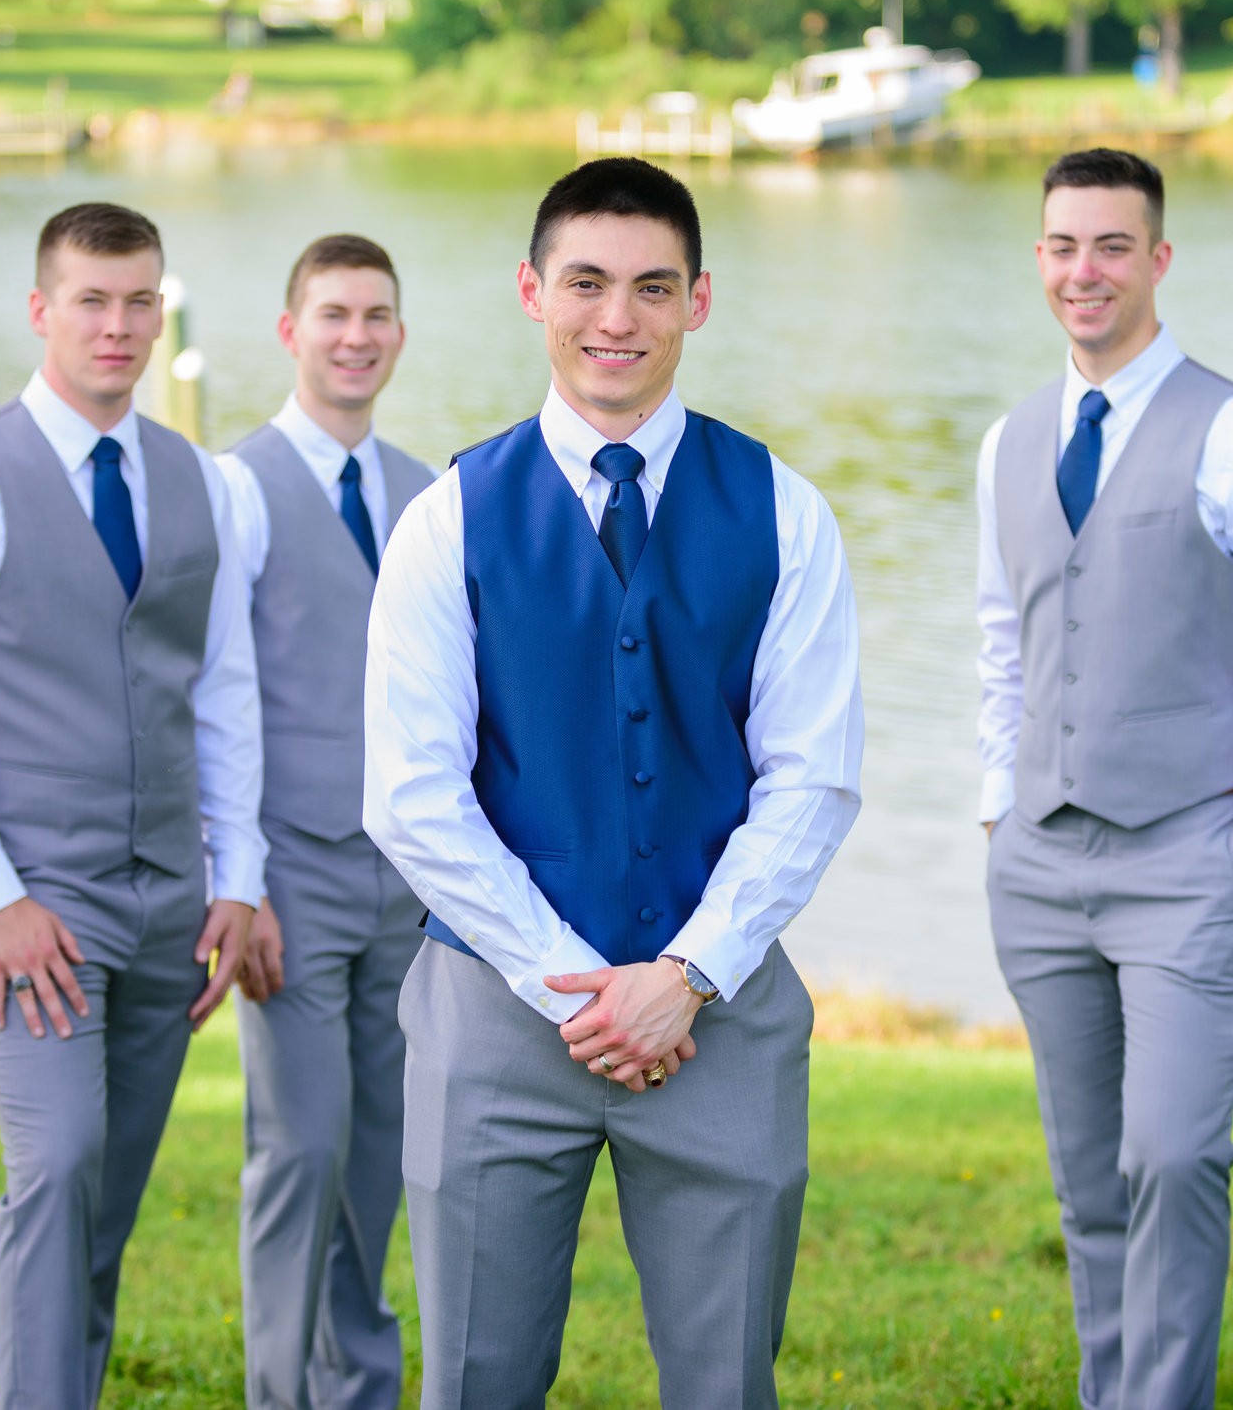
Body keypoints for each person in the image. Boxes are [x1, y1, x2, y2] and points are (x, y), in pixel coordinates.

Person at [364, 157, 863, 1410]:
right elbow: (410, 792)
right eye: (585, 283)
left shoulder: (785, 511)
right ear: (532, 291)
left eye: (652, 287)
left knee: (725, 1383)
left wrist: (686, 975)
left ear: (698, 300)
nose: (615, 319)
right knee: (476, 1379)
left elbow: (810, 779)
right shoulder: (447, 517)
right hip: (492, 1014)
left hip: (723, 1020)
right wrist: (578, 988)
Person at [0, 202, 274, 1409]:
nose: (118, 324)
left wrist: (238, 876)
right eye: (92, 300)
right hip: (32, 907)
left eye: (140, 299)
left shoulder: (206, 485)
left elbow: (226, 695)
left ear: (163, 310)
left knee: (102, 1207)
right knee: (57, 1168)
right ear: (41, 310)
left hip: (168, 910)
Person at [975, 148, 1233, 1410]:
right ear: (1039, 259)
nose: (1086, 270)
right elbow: (997, 634)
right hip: (1038, 860)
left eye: (1113, 246)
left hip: (1189, 858)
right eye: (1064, 245)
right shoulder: (1009, 439)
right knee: (1087, 1177)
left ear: (1159, 260)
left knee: (1171, 1155)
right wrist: (990, 803)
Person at [216, 234, 435, 1410]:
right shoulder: (234, 486)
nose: (356, 336)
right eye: (334, 314)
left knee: (382, 1157)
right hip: (289, 881)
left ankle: (359, 1385)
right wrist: (236, 881)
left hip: (407, 887)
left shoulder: (428, 492)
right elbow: (216, 697)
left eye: (377, 316)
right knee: (297, 1151)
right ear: (290, 329)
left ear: (399, 334)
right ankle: (274, 1392)